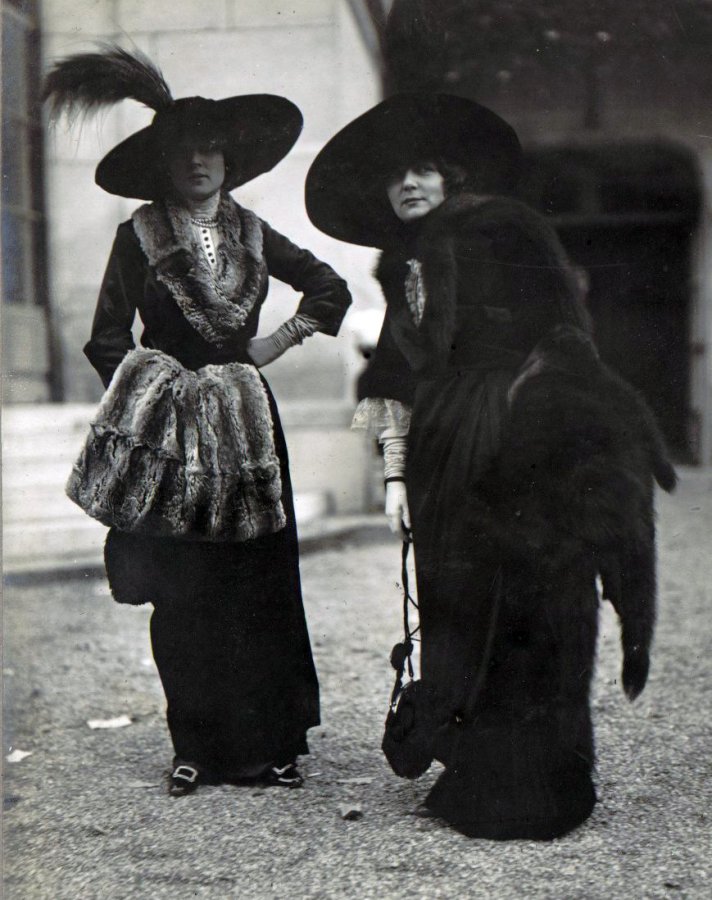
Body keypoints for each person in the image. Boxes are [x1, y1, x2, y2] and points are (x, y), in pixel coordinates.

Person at [306, 93, 675, 839]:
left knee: (534, 601)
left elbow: (565, 335)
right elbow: (393, 376)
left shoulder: (506, 225)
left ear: (449, 173)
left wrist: (552, 433)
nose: (408, 184)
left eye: (421, 169)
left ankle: (541, 782)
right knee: (456, 603)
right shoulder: (401, 263)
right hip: (442, 450)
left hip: (517, 435)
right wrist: (396, 475)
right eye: (394, 177)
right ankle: (472, 765)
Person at [43, 46, 351, 795]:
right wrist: (152, 399)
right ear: (164, 162)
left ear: (228, 158)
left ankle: (268, 745)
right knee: (182, 591)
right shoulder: (140, 236)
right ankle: (195, 745)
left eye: (210, 148)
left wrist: (273, 344)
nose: (198, 162)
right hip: (171, 433)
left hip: (247, 427)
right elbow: (106, 338)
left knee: (257, 584)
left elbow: (328, 287)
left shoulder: (255, 233)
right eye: (183, 150)